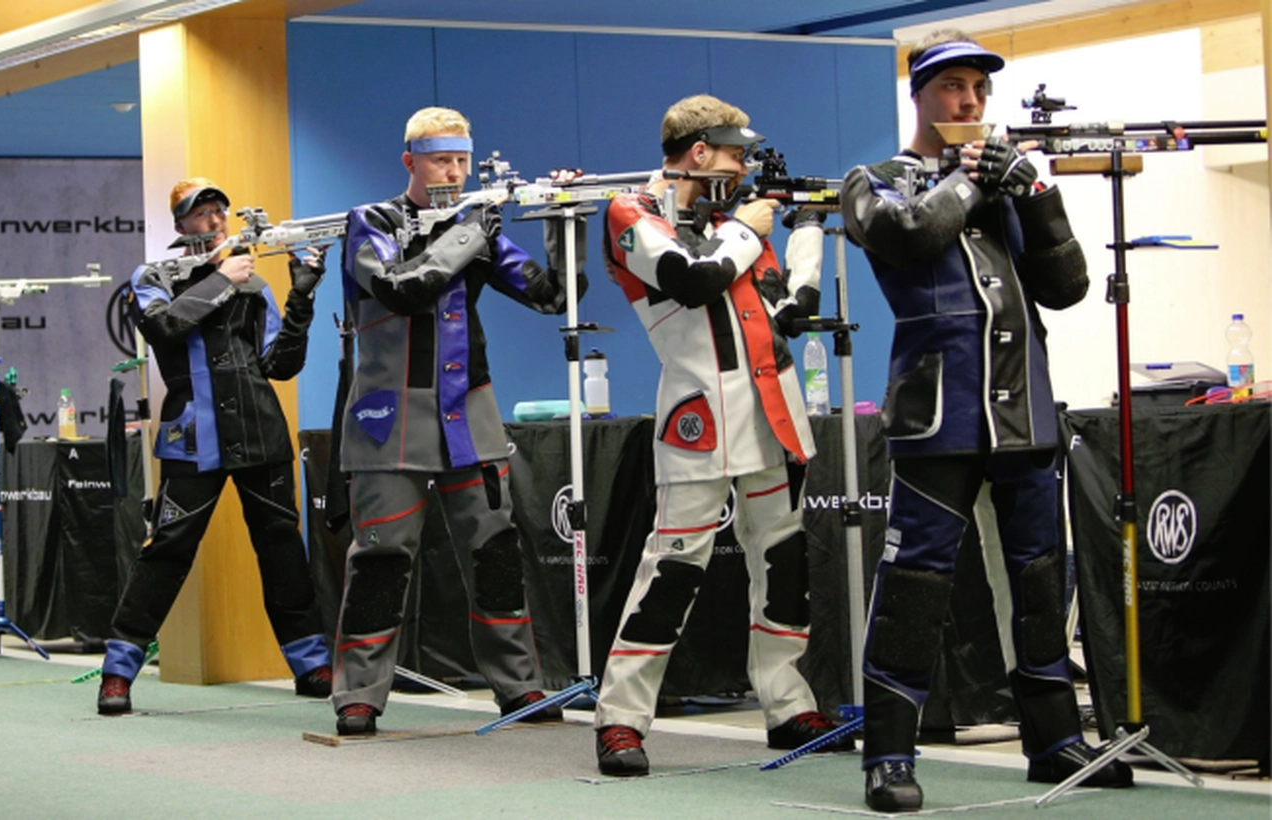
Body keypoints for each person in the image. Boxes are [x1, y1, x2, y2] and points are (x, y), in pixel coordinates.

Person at [840, 30, 1134, 812]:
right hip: (938, 415)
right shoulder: (872, 181)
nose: (969, 101)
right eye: (952, 86)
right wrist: (973, 181)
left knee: (1041, 580)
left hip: (1025, 409)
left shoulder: (1006, 182)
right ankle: (889, 756)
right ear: (918, 94)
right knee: (914, 586)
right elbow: (911, 235)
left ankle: (1055, 742)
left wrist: (1036, 194)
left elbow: (1067, 287)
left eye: (978, 89)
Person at [592, 94, 847, 777]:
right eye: (736, 154)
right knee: (672, 570)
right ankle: (621, 718)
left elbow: (790, 313)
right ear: (700, 152)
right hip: (699, 416)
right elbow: (692, 279)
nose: (744, 167)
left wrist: (807, 232)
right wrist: (746, 229)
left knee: (784, 567)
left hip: (774, 411)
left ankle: (788, 706)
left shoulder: (730, 222)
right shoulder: (630, 212)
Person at [329, 106, 584, 735]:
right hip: (388, 420)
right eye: (442, 159)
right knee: (381, 561)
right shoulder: (371, 222)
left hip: (469, 413)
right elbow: (401, 288)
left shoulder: (475, 226)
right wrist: (470, 232)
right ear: (410, 161)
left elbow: (552, 295)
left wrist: (564, 221)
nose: (455, 171)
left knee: (495, 555)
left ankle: (520, 686)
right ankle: (358, 694)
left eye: (463, 160)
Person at [96, 178, 332, 715]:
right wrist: (223, 279)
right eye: (201, 212)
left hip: (261, 434)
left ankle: (311, 663)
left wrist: (301, 295)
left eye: (220, 210)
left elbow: (281, 366)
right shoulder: (154, 277)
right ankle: (118, 671)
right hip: (192, 438)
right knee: (166, 551)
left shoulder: (254, 284)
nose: (215, 219)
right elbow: (164, 328)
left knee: (282, 550)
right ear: (179, 224)